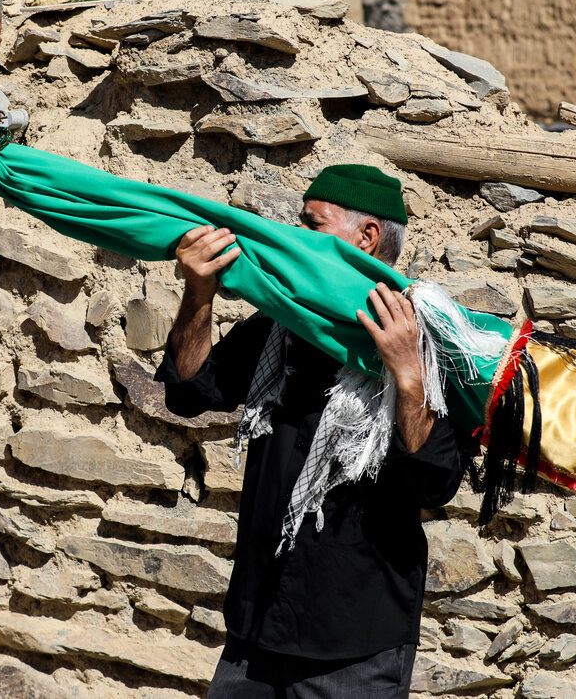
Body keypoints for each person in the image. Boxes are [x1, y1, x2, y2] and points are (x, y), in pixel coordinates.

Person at [154, 164, 465, 698]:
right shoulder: (283, 325)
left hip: (352, 645)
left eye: (313, 224)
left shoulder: (432, 340)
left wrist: (407, 374)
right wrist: (198, 293)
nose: (297, 238)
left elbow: (435, 482)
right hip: (254, 625)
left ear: (366, 237)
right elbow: (189, 392)